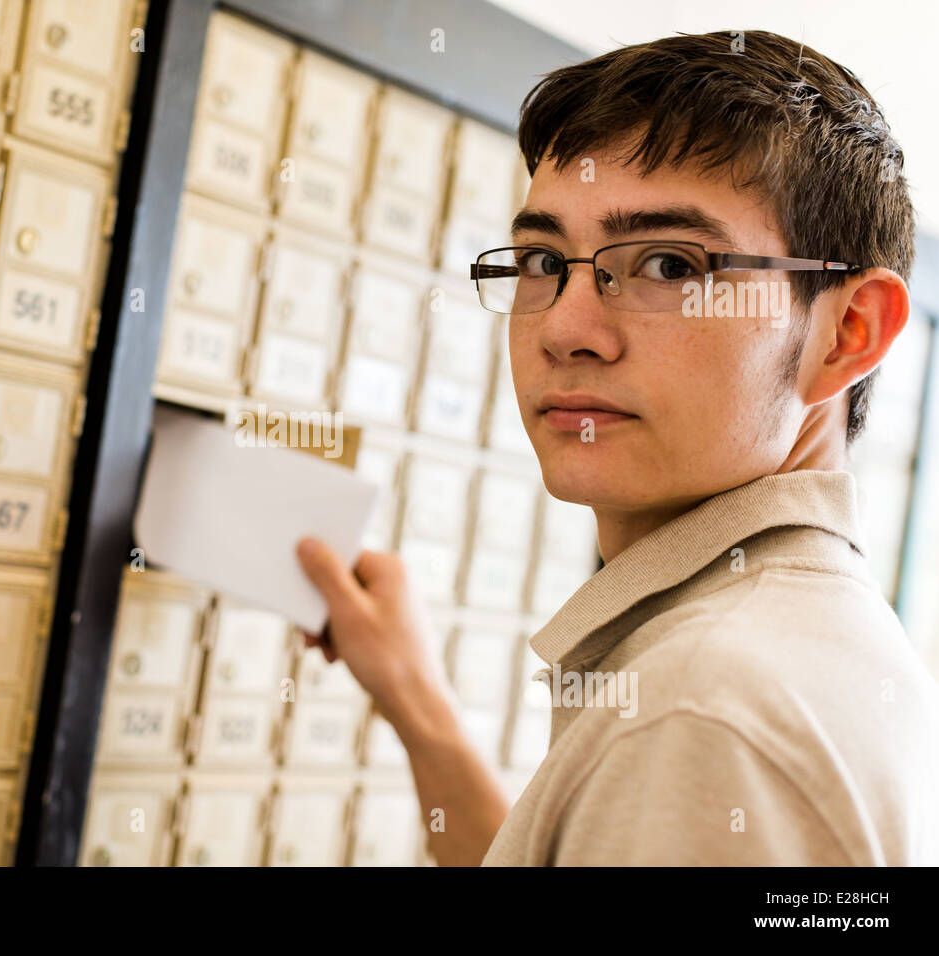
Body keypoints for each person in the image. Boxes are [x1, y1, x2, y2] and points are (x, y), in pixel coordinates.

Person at [297, 30, 939, 865]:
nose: (565, 327)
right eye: (541, 259)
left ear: (847, 333)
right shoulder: (817, 645)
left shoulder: (703, 708)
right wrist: (418, 707)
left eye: (669, 265)